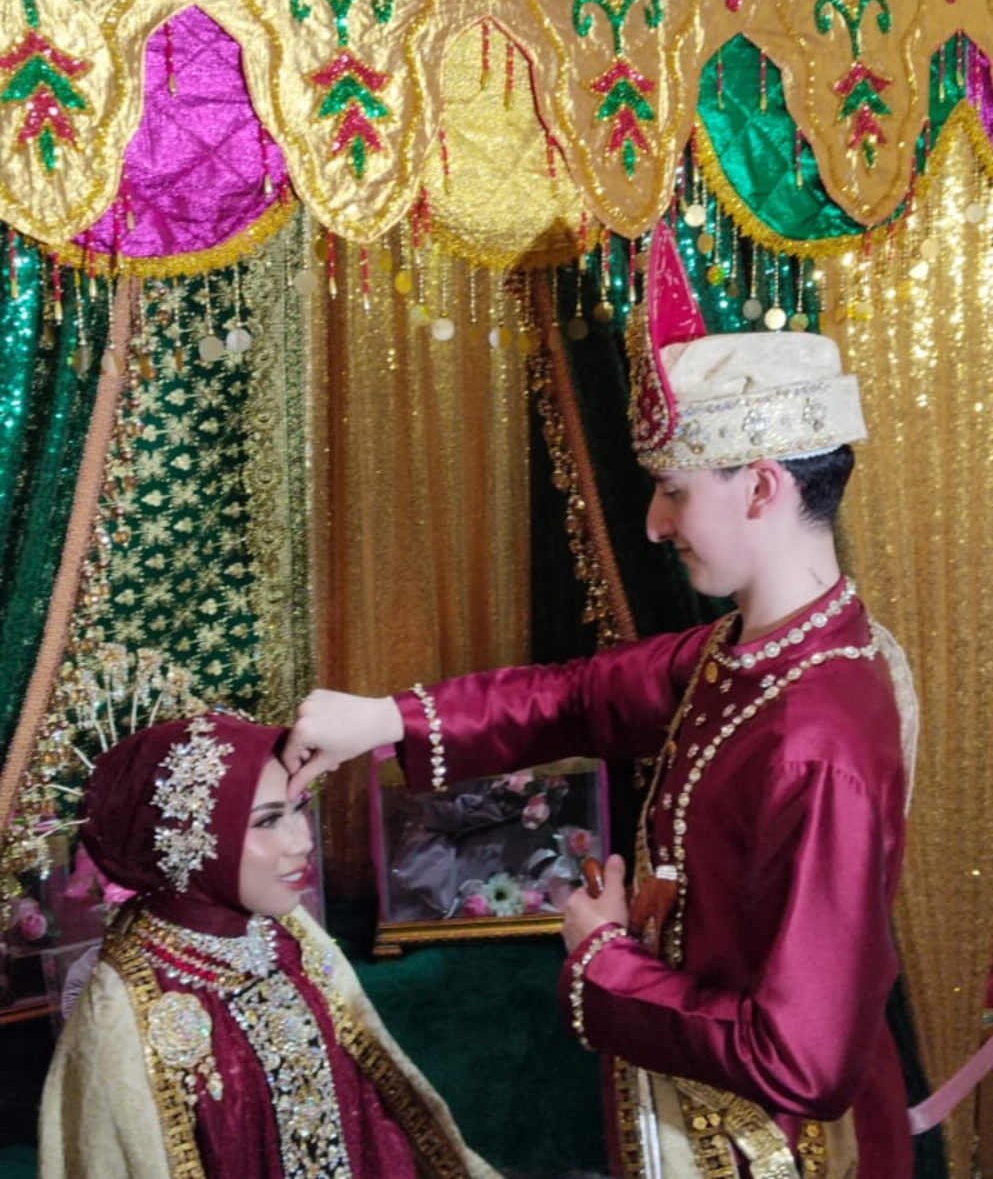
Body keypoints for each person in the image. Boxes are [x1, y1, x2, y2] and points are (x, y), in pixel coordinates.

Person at [283, 227, 916, 1179]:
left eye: (668, 492)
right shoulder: (758, 651)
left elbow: (804, 1060)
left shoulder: (815, 737)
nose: (656, 525)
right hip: (696, 1104)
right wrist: (382, 720)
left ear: (760, 487)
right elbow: (579, 697)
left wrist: (601, 962)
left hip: (771, 1151)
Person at [39, 709, 501, 1179]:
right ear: (188, 842)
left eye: (298, 808)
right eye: (267, 821)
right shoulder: (124, 1005)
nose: (301, 841)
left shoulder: (287, 933)